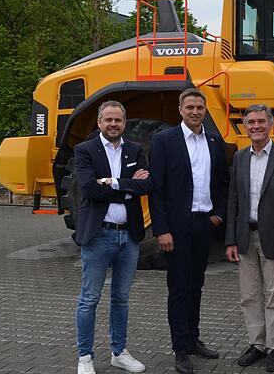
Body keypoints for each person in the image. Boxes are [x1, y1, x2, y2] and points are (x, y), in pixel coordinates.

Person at [149, 88, 228, 374]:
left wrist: (218, 216)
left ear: (205, 111)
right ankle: (180, 348)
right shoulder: (164, 141)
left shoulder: (214, 141)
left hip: (204, 224)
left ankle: (193, 340)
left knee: (196, 286)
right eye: (190, 107)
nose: (195, 112)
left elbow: (222, 183)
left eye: (200, 107)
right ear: (180, 110)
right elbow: (156, 189)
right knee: (179, 288)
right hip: (176, 228)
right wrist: (162, 230)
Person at [73, 100, 152, 374]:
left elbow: (147, 185)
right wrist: (130, 187)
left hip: (128, 237)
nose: (113, 124)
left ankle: (119, 352)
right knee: (89, 299)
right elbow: (89, 189)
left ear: (124, 122)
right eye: (108, 120)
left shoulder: (134, 149)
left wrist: (114, 182)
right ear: (99, 123)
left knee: (121, 298)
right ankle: (85, 357)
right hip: (98, 236)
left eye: (118, 120)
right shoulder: (85, 151)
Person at [225, 104, 274, 372]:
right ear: (244, 126)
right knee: (248, 296)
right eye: (250, 122)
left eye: (261, 121)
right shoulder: (240, 158)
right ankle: (257, 344)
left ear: (270, 124)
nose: (256, 126)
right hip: (245, 237)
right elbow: (233, 200)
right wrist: (231, 240)